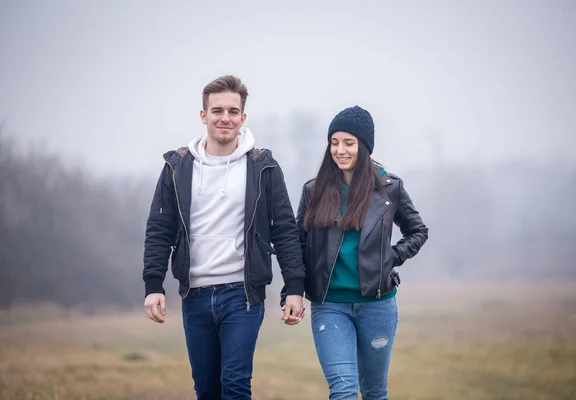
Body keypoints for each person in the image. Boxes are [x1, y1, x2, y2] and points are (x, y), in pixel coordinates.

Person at [143, 75, 305, 399]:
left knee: (235, 384)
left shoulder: (263, 166)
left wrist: (295, 288)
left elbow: (285, 229)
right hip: (195, 295)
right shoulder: (177, 166)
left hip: (242, 294)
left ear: (243, 118)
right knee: (206, 389)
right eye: (217, 111)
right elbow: (159, 230)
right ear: (203, 116)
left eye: (233, 111)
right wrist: (153, 285)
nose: (225, 118)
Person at [296, 105, 428, 399]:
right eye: (334, 142)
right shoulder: (313, 191)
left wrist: (390, 258)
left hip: (378, 306)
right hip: (330, 306)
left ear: (364, 147)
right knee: (342, 390)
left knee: (374, 391)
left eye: (349, 143)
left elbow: (418, 231)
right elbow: (297, 244)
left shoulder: (389, 188)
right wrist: (293, 289)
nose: (340, 150)